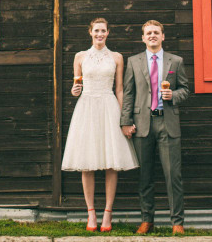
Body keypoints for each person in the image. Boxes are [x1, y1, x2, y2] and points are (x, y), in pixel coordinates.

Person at [61, 18, 138, 232]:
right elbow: (76, 85)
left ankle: (108, 213)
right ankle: (91, 213)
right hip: (86, 107)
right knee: (87, 162)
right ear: (90, 32)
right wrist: (74, 91)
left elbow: (120, 89)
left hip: (108, 106)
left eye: (103, 31)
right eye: (96, 30)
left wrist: (125, 118)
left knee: (111, 162)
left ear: (108, 33)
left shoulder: (117, 57)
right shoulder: (80, 57)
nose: (99, 34)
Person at [121, 20, 189, 235]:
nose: (152, 36)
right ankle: (146, 220)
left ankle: (177, 222)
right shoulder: (133, 62)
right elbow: (129, 94)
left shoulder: (175, 61)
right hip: (142, 125)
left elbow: (185, 89)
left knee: (173, 176)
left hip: (167, 123)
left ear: (163, 36)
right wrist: (125, 122)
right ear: (143, 38)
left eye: (156, 32)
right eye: (148, 33)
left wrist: (174, 95)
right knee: (145, 177)